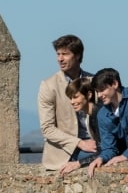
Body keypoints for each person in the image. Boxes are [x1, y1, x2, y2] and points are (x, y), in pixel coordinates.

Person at [38, 35, 94, 170]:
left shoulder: (93, 81)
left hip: (95, 145)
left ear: (78, 55)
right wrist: (80, 143)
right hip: (65, 153)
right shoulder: (48, 85)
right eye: (58, 54)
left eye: (65, 54)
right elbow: (47, 128)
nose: (60, 59)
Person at [86, 67, 128, 177]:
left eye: (102, 89)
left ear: (115, 84)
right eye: (97, 91)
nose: (99, 95)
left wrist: (126, 155)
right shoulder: (102, 115)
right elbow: (109, 147)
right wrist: (101, 158)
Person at [58, 77, 100, 176]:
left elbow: (107, 150)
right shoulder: (89, 116)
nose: (72, 102)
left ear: (89, 95)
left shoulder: (99, 115)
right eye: (70, 98)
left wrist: (78, 163)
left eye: (75, 97)